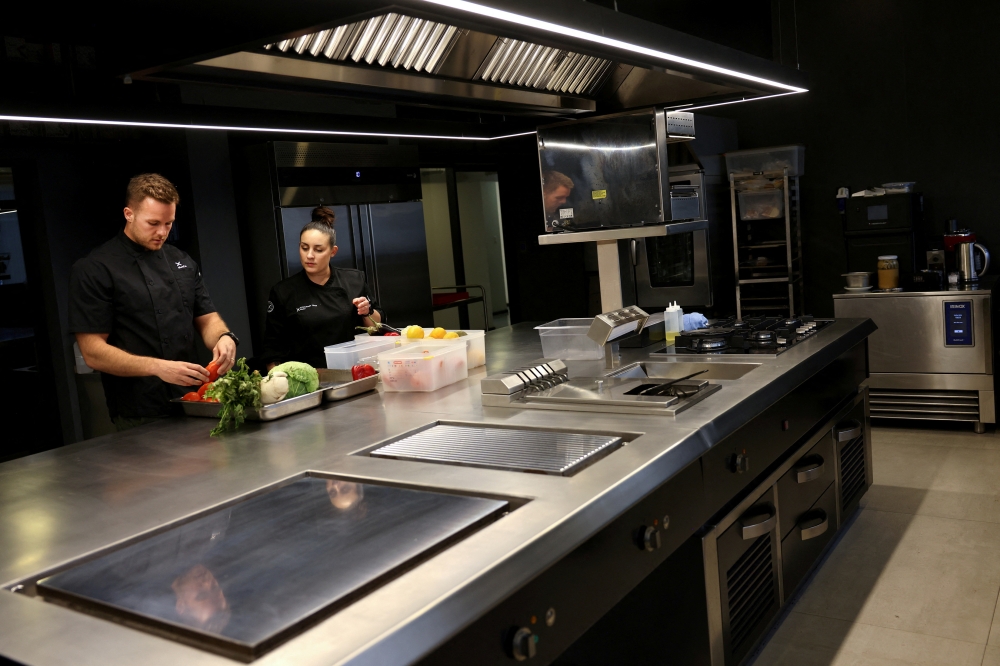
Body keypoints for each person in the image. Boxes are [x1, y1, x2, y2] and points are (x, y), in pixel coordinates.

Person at [69, 174, 239, 431]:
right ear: (129, 213)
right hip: (139, 410)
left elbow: (207, 318)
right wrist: (157, 367)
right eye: (153, 223)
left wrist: (223, 337)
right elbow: (92, 352)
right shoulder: (95, 268)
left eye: (169, 223)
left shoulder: (180, 260)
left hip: (194, 398)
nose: (162, 232)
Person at [260, 206, 382, 369]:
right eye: (304, 248)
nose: (309, 255)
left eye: (318, 250)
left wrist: (367, 311)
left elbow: (376, 328)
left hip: (352, 371)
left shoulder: (354, 280)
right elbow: (272, 348)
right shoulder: (283, 292)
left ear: (333, 251)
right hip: (306, 378)